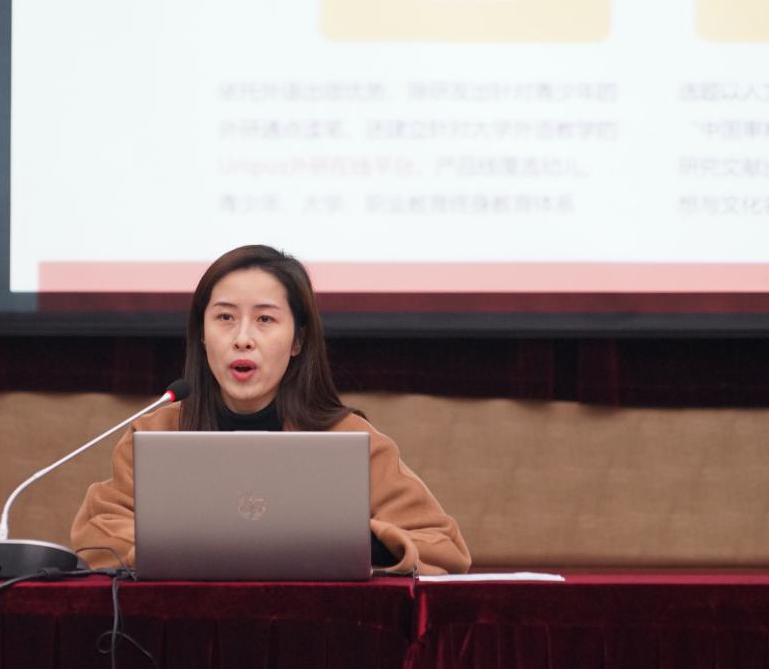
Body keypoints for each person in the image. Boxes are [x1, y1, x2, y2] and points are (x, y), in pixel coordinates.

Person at [71, 244, 471, 575]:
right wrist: (192, 551)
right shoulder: (156, 431)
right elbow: (97, 534)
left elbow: (442, 547)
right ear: (202, 335)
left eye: (265, 319)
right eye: (225, 317)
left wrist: (360, 545)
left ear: (297, 341)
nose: (243, 338)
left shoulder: (349, 438)